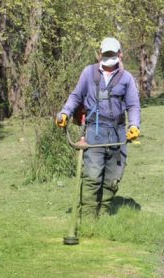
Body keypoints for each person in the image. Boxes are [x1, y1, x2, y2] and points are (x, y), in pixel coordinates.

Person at [55, 37, 141, 220]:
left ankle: (102, 216)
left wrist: (134, 125)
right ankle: (87, 219)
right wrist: (64, 113)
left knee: (112, 179)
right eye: (106, 53)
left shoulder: (126, 78)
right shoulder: (88, 73)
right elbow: (76, 96)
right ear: (100, 54)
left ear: (120, 54)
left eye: (113, 53)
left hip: (117, 132)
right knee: (93, 177)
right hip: (95, 131)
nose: (109, 57)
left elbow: (133, 105)